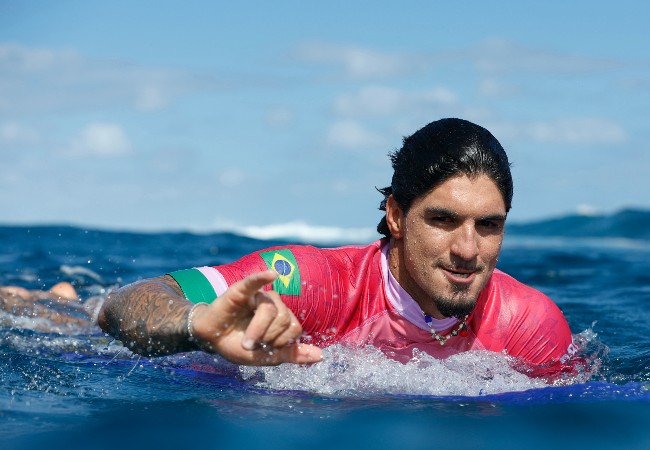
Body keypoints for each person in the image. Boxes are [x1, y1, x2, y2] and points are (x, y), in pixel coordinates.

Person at [97, 118, 578, 376]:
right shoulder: (312, 283)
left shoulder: (531, 327)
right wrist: (197, 325)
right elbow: (121, 306)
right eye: (443, 220)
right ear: (395, 216)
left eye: (489, 225)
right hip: (95, 345)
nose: (469, 249)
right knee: (62, 316)